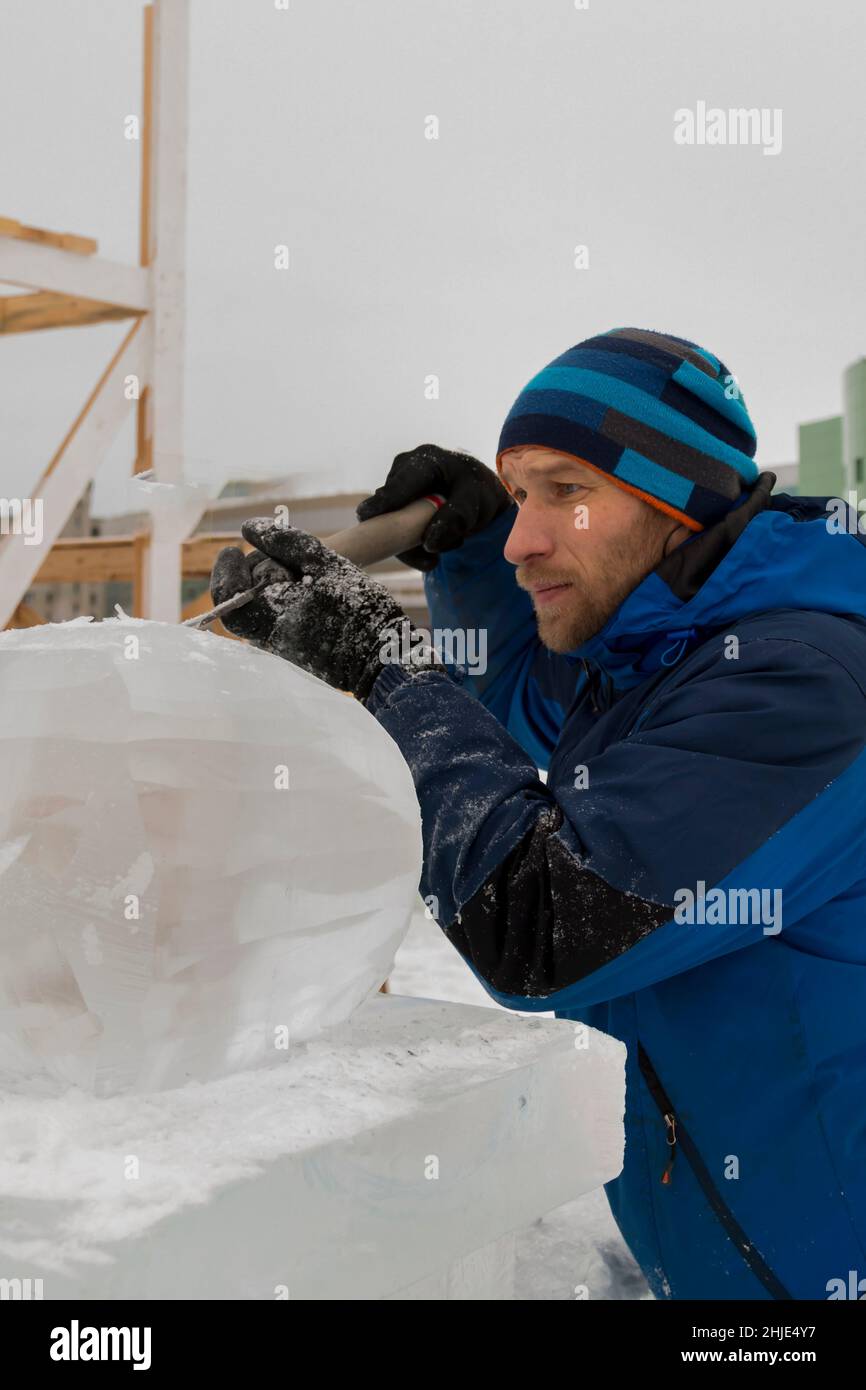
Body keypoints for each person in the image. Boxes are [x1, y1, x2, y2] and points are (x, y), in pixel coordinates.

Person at [211, 326, 866, 1301]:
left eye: (566, 491)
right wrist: (469, 555)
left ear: (677, 503)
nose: (525, 535)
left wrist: (380, 663)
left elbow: (550, 917)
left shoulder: (800, 684)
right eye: (517, 495)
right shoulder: (655, 660)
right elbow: (517, 721)